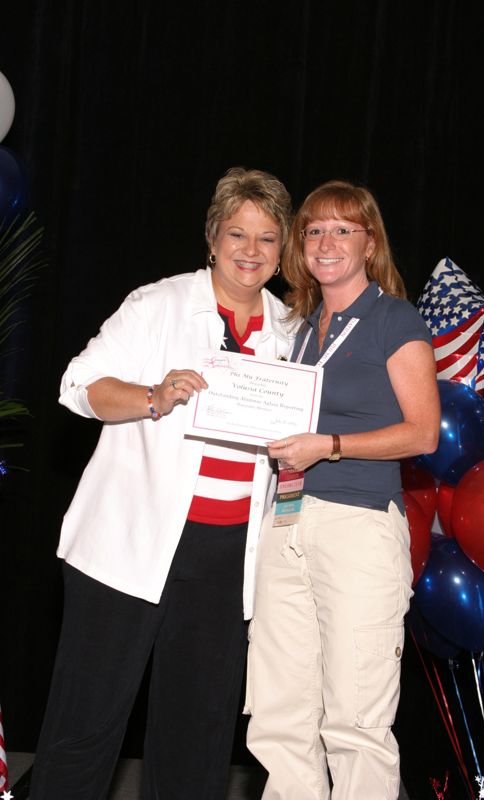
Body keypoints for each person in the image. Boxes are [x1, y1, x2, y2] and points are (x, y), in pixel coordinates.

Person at [30, 167, 298, 800]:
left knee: (196, 739)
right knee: (85, 727)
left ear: (283, 251)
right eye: (237, 234)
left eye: (266, 238)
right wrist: (153, 395)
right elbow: (79, 385)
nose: (250, 251)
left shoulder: (292, 332)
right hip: (128, 547)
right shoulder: (158, 304)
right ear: (211, 238)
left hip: (227, 556)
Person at [246, 180, 440, 800]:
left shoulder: (394, 319)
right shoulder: (299, 328)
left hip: (359, 527)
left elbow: (424, 433)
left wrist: (329, 445)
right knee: (279, 716)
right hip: (288, 521)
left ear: (370, 242)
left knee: (355, 722)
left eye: (342, 230)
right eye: (314, 230)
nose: (326, 242)